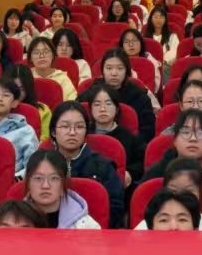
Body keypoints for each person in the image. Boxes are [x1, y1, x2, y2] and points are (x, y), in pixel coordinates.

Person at [47, 98, 127, 226]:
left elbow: (115, 209)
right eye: (65, 126)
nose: (72, 132)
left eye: (79, 127)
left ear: (86, 132)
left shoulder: (103, 166)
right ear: (53, 131)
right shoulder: (42, 164)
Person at [132, 160, 202, 232]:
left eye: (188, 191)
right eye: (173, 190)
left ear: (200, 193)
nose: (180, 196)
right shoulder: (144, 227)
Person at [23, 148, 101, 229]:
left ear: (63, 183)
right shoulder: (17, 221)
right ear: (28, 183)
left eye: (54, 178)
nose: (45, 185)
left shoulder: (85, 226)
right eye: (38, 178)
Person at [96, 47, 156, 147]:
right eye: (109, 68)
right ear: (102, 71)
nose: (114, 73)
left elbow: (148, 132)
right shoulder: (91, 93)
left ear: (127, 71)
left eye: (120, 68)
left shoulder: (140, 97)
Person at [26, 35, 77, 102]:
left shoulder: (62, 78)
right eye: (36, 52)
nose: (42, 56)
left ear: (53, 55)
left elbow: (72, 102)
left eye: (46, 52)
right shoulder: (26, 77)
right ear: (30, 58)